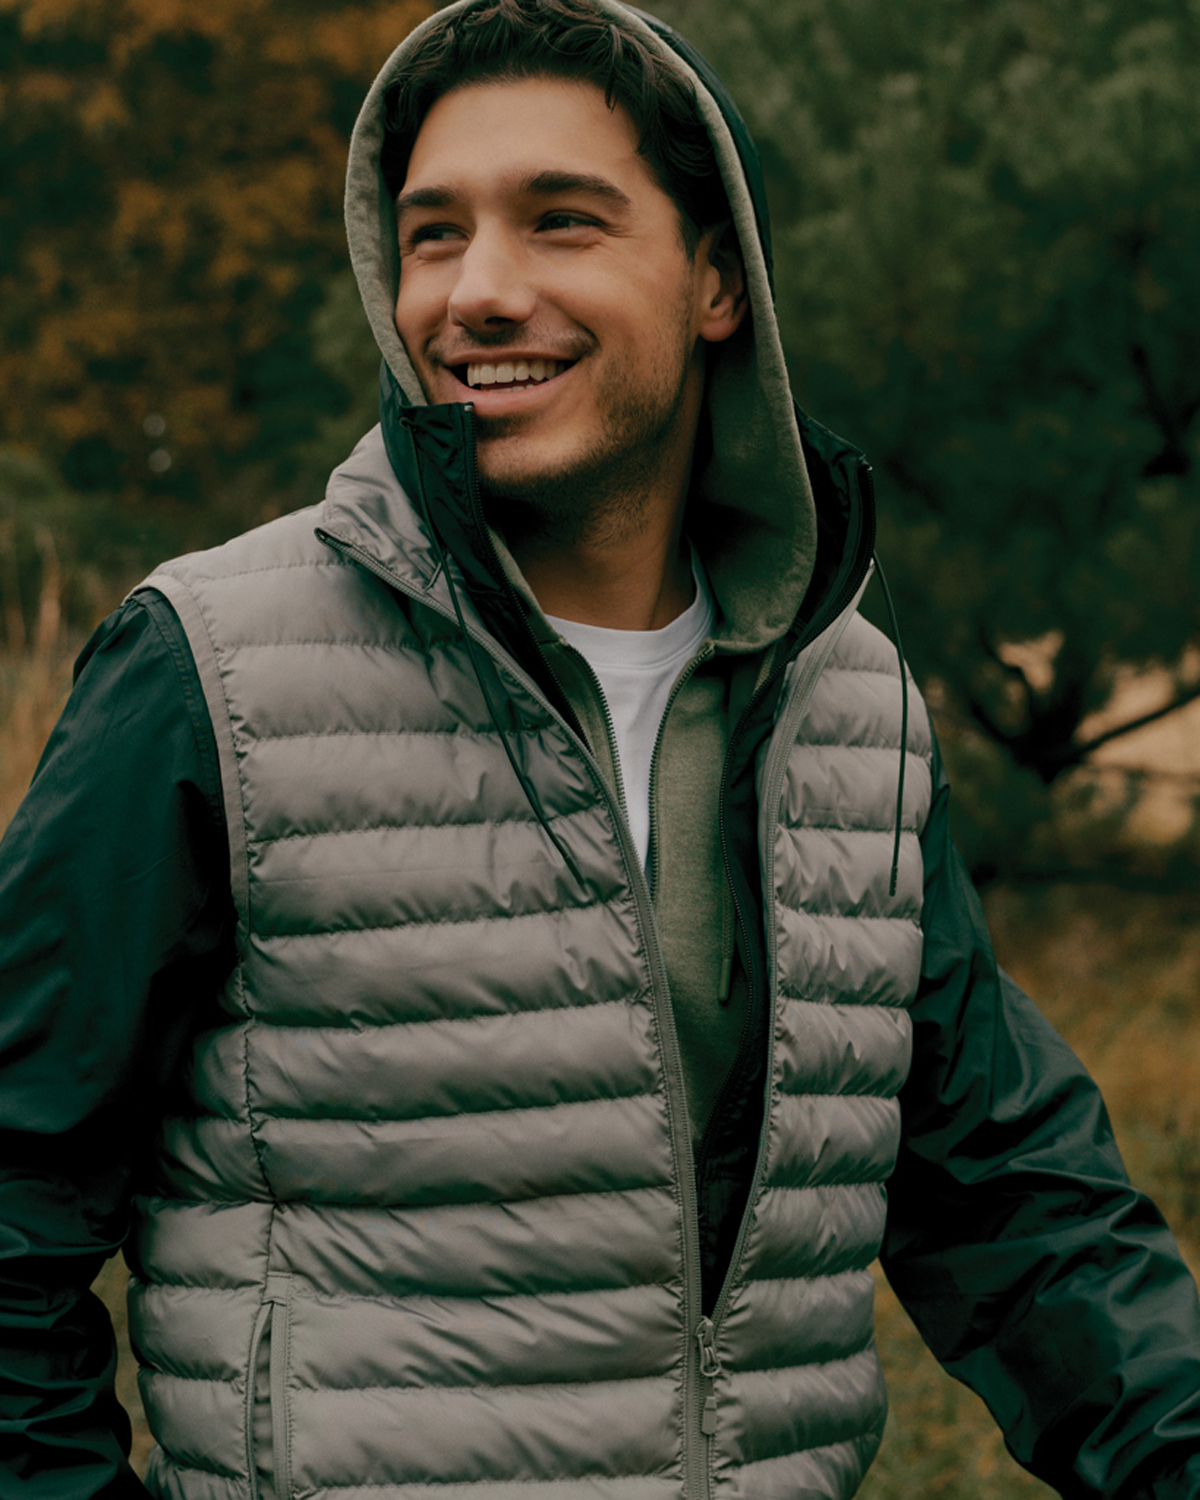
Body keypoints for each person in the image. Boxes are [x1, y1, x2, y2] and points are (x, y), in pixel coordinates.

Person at [2, 0, 1199, 1495]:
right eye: (433, 235)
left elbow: (1020, 1214)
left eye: (561, 220)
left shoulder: (855, 707)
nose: (477, 292)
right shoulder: (212, 671)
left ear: (716, 278)